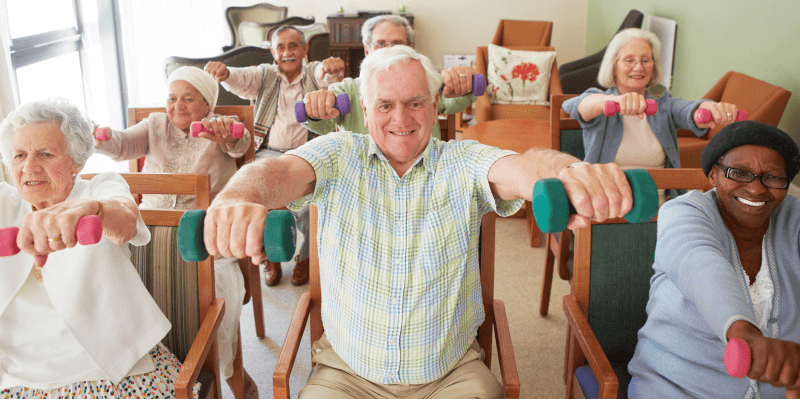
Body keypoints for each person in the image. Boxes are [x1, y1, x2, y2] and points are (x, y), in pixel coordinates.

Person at [201, 45, 635, 399]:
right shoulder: (337, 152)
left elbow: (524, 166)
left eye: (415, 103)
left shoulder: (463, 159)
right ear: (365, 111)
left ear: (434, 106)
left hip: (451, 377)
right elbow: (277, 172)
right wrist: (240, 196)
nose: (401, 119)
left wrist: (570, 173)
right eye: (385, 105)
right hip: (346, 376)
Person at [0, 98, 199, 398]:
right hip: (19, 372)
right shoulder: (7, 202)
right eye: (19, 155)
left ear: (76, 161)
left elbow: (126, 220)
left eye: (46, 153)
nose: (29, 166)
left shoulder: (100, 188)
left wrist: (91, 210)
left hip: (111, 366)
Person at [93, 66, 256, 397]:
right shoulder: (154, 125)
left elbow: (241, 146)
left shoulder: (217, 127)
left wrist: (230, 135)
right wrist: (101, 135)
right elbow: (122, 145)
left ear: (207, 102)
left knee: (213, 295)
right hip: (149, 231)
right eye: (171, 97)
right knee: (110, 282)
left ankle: (222, 368)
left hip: (205, 236)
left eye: (188, 98)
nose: (177, 106)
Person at [627, 121, 800, 399]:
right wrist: (745, 335)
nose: (756, 189)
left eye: (772, 177)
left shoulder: (794, 219)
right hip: (677, 388)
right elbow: (702, 267)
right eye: (740, 173)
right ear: (713, 175)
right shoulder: (683, 212)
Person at [204, 25, 346, 288]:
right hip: (269, 152)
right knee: (264, 200)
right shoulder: (265, 75)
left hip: (307, 152)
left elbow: (327, 76)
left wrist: (333, 70)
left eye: (293, 46)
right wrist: (225, 73)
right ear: (273, 52)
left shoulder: (314, 71)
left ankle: (304, 259)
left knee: (309, 207)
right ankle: (271, 259)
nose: (287, 52)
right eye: (281, 47)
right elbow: (241, 78)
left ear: (304, 50)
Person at [562, 28, 739, 203]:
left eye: (646, 60)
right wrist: (615, 102)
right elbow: (575, 105)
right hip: (607, 205)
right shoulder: (602, 103)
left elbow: (689, 110)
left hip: (657, 207)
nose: (639, 67)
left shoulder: (665, 105)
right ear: (613, 67)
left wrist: (710, 107)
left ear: (653, 68)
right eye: (629, 60)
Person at [300, 15, 477, 140]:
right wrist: (316, 107)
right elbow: (323, 125)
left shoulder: (426, 82)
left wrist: (463, 81)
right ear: (367, 50)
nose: (389, 51)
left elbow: (455, 101)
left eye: (397, 44)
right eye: (381, 44)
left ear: (411, 48)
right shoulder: (347, 89)